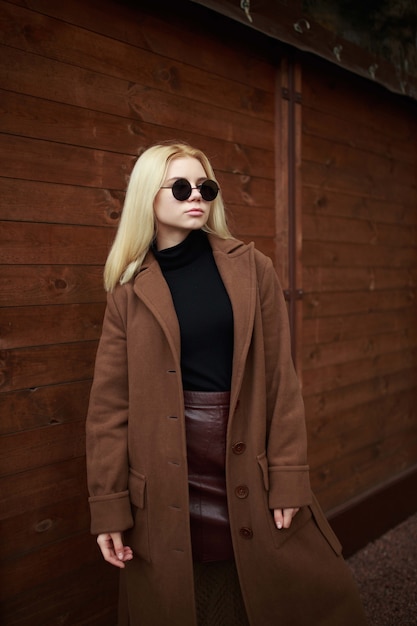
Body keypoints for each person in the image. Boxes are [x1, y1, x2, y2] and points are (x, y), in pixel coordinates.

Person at [86, 141, 367, 625]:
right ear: (146, 197)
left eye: (205, 186)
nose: (195, 195)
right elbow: (109, 407)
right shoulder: (127, 290)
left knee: (274, 592)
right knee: (185, 596)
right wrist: (109, 507)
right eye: (179, 187)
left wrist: (289, 478)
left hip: (240, 460)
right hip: (167, 469)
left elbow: (281, 379)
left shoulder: (251, 269)